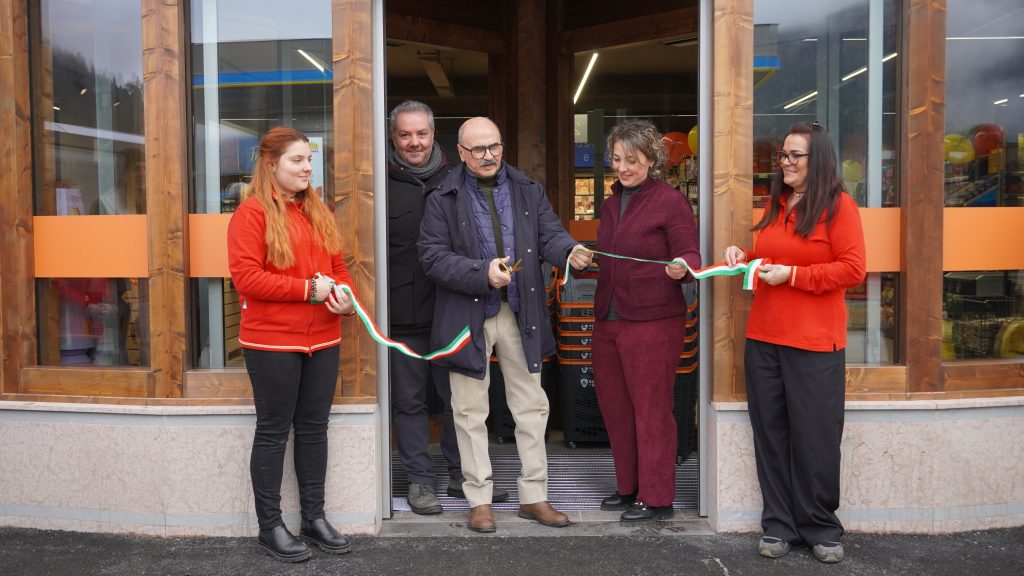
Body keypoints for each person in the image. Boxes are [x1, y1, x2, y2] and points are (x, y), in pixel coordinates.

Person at [418, 117, 593, 533]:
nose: (488, 156)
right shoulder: (442, 195)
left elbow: (549, 235)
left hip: (521, 311)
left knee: (532, 406)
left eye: (494, 146)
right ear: (460, 153)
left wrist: (570, 251)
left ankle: (534, 496)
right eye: (478, 149)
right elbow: (431, 256)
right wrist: (482, 272)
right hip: (466, 314)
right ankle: (478, 498)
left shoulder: (527, 189)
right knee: (468, 409)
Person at [724, 121, 866, 564]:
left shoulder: (839, 206)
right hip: (764, 339)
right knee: (772, 435)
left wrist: (794, 277)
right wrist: (742, 257)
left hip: (815, 343)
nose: (784, 162)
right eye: (782, 155)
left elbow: (852, 269)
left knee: (816, 438)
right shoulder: (779, 203)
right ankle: (779, 525)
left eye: (794, 156)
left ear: (817, 159)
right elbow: (773, 256)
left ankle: (821, 528)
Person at [228, 126, 356, 563]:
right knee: (272, 432)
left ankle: (314, 519)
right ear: (271, 166)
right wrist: (309, 291)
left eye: (308, 160)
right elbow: (247, 278)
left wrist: (343, 296)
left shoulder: (317, 209)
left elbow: (338, 265)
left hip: (323, 338)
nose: (306, 168)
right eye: (297, 161)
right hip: (272, 344)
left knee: (314, 429)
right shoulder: (251, 214)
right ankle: (270, 527)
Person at [386, 101, 508, 514]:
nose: (414, 142)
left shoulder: (459, 178)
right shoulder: (379, 182)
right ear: (393, 137)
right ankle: (419, 481)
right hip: (402, 313)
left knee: (463, 398)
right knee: (409, 401)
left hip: (455, 308)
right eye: (405, 134)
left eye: (421, 133)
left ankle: (464, 475)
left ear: (435, 136)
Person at [591, 120, 701, 522]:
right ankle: (629, 486)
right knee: (616, 406)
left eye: (632, 160)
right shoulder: (608, 203)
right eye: (617, 159)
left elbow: (691, 253)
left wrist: (682, 268)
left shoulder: (670, 201)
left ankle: (657, 497)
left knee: (651, 408)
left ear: (652, 160)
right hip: (609, 317)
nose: (622, 167)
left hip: (654, 320)